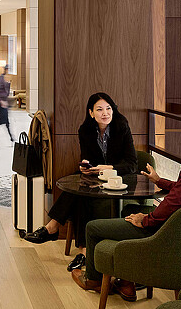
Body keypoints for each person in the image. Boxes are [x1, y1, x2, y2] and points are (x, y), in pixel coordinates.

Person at [72, 104, 181, 301]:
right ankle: (127, 281)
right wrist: (160, 181)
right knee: (133, 208)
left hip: (175, 232)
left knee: (93, 228)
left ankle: (93, 280)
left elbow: (176, 202)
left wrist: (147, 220)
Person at [24, 92, 138, 272]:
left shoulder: (121, 126)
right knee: (80, 192)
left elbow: (132, 164)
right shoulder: (85, 130)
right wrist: (86, 166)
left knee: (80, 194)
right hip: (96, 177)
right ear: (91, 113)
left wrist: (107, 167)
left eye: (108, 109)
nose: (105, 113)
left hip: (120, 180)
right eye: (99, 109)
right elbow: (87, 158)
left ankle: (53, 227)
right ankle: (84, 252)